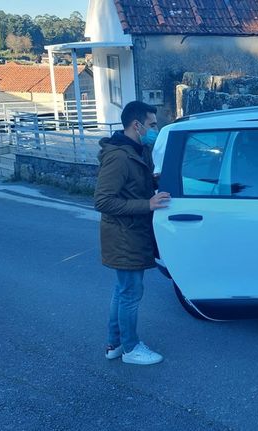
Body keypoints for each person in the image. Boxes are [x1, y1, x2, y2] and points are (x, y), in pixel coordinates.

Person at [94, 101, 170, 365]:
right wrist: (147, 204)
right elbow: (103, 201)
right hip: (123, 235)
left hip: (131, 233)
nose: (155, 129)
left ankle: (114, 344)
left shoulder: (137, 150)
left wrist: (154, 183)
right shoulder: (119, 156)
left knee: (122, 289)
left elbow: (134, 185)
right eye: (152, 125)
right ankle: (130, 348)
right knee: (130, 293)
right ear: (136, 125)